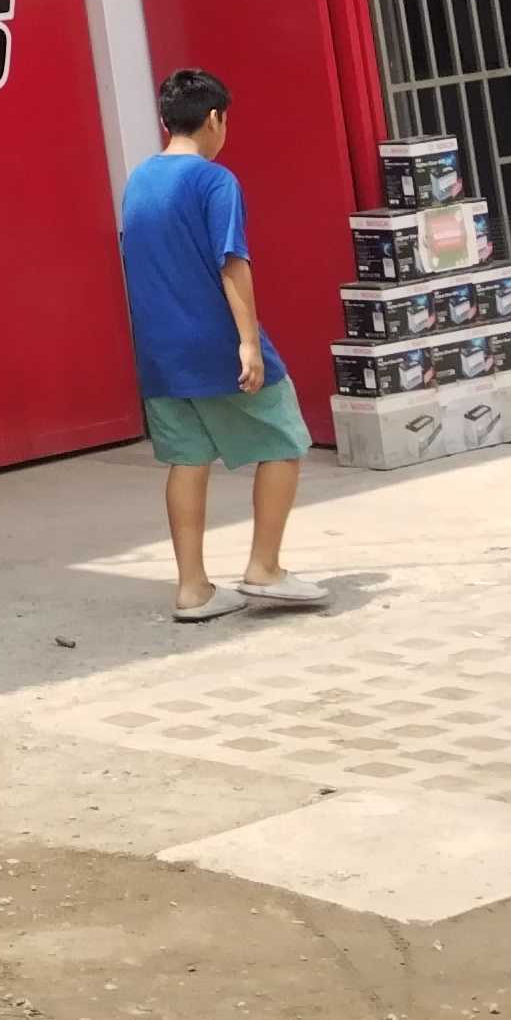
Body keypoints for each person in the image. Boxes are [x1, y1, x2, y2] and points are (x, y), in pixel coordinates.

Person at [117, 68, 325, 623]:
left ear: (166, 119)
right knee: (284, 435)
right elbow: (232, 261)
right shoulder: (215, 182)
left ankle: (192, 590)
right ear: (215, 119)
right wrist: (249, 343)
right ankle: (265, 568)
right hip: (213, 341)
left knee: (187, 459)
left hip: (159, 351)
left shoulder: (139, 180)